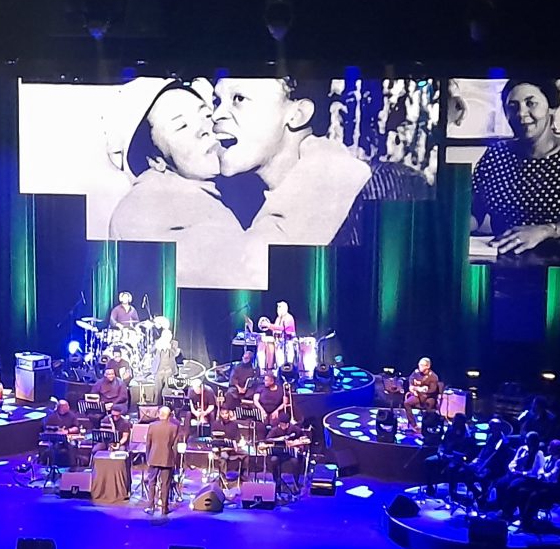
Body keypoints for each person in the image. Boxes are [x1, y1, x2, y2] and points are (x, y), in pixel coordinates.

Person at [109, 81, 257, 288]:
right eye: (181, 126)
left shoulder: (230, 187)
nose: (204, 129)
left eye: (206, 115)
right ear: (155, 160)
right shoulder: (144, 207)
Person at [212, 77, 371, 247]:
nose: (216, 115)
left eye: (239, 98)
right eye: (217, 101)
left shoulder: (371, 193)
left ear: (297, 115)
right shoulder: (236, 203)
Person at [471, 78, 560, 263]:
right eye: (513, 106)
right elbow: (474, 213)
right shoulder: (495, 155)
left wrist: (547, 230)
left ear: (551, 107)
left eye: (531, 103)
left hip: (557, 263)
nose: (521, 113)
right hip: (502, 259)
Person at [452, 418, 511, 501]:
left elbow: (495, 457)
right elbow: (483, 452)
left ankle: (483, 497)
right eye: (490, 427)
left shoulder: (503, 441)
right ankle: (477, 494)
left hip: (493, 466)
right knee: (461, 472)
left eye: (493, 427)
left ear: (499, 427)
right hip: (482, 462)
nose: (491, 429)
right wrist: (476, 461)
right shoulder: (490, 436)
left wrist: (483, 467)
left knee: (483, 477)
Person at [424, 413, 473, 497]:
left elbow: (466, 451)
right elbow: (442, 443)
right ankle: (430, 487)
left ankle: (452, 493)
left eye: (456, 420)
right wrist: (440, 452)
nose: (454, 422)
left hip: (457, 459)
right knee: (428, 461)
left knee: (451, 468)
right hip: (444, 455)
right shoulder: (450, 430)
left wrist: (454, 456)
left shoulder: (467, 435)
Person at [144, 405, 179, 516]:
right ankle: (164, 508)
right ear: (169, 416)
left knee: (152, 482)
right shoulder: (174, 427)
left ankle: (150, 506)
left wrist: (148, 457)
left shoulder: (152, 426)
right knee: (165, 484)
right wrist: (174, 461)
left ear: (159, 414)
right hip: (167, 459)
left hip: (153, 457)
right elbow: (175, 447)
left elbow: (148, 444)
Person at [266, 415, 307, 495]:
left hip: (291, 454)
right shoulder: (275, 430)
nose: (283, 426)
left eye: (285, 424)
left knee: (295, 461)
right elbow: (268, 439)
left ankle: (296, 482)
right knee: (273, 460)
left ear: (288, 424)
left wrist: (298, 442)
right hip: (279, 453)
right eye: (281, 424)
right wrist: (279, 439)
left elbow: (305, 438)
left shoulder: (295, 429)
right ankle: (277, 481)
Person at [404, 357, 440, 432]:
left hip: (429, 397)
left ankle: (426, 426)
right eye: (419, 365)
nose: (419, 367)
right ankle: (413, 425)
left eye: (422, 365)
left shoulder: (433, 376)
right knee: (407, 403)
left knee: (429, 404)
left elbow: (432, 390)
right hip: (417, 395)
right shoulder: (416, 373)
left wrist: (420, 390)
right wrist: (413, 388)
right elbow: (411, 381)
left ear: (428, 366)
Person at [211, 405, 244, 481]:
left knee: (245, 454)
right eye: (223, 414)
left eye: (226, 413)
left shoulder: (234, 424)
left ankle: (242, 474)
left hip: (232, 448)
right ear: (220, 414)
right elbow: (213, 437)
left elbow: (238, 437)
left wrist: (235, 442)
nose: (225, 415)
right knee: (223, 457)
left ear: (229, 413)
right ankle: (223, 478)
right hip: (221, 449)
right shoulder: (215, 424)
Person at [151, 318, 180, 393]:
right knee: (157, 391)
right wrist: (157, 345)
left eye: (168, 336)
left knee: (168, 391)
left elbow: (174, 353)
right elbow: (151, 351)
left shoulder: (174, 343)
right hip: (159, 370)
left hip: (169, 371)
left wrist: (168, 346)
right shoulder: (158, 343)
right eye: (165, 336)